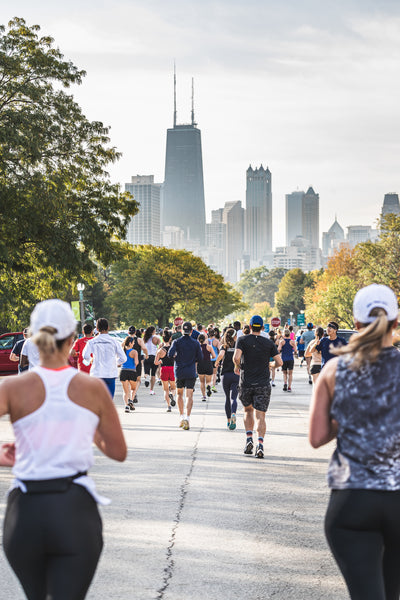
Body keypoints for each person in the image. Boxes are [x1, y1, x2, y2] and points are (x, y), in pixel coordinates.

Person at [0, 299, 127, 600]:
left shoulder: (12, 387)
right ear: (72, 340)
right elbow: (118, 451)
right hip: (74, 508)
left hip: (26, 510)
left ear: (32, 338)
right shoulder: (91, 388)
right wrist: (85, 428)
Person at [309, 284, 400, 600]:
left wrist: (354, 412)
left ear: (356, 324)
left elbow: (317, 437)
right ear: (396, 322)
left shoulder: (335, 369)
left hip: (352, 502)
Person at [233, 315, 282, 458]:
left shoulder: (242, 340)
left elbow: (236, 357)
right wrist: (271, 364)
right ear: (262, 327)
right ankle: (260, 445)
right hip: (263, 383)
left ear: (249, 326)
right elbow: (279, 362)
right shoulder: (268, 343)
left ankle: (249, 439)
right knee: (260, 415)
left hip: (246, 381)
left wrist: (238, 366)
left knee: (248, 411)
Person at [168, 321, 202, 430]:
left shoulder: (176, 341)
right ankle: (187, 417)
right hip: (191, 371)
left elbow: (169, 354)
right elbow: (200, 358)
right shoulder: (195, 343)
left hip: (179, 371)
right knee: (189, 395)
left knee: (179, 394)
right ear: (191, 331)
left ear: (182, 330)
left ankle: (181, 417)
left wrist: (177, 357)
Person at [82, 318, 126, 399]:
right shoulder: (114, 342)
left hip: (96, 374)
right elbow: (123, 358)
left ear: (97, 329)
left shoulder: (92, 342)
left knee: (97, 400)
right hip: (110, 374)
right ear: (108, 327)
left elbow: (85, 356)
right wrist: (115, 363)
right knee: (108, 401)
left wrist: (91, 359)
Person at [215, 328, 239, 430]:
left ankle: (229, 421)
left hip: (225, 375)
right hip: (236, 374)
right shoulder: (238, 346)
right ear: (234, 336)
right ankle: (234, 413)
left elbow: (221, 355)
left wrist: (217, 362)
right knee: (234, 397)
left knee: (227, 398)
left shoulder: (224, 346)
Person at [154, 330, 177, 412]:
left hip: (164, 369)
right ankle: (172, 394)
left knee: (165, 389)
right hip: (172, 369)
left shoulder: (160, 351)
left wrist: (160, 361)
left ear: (163, 339)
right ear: (170, 339)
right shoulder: (173, 349)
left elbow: (155, 362)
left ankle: (168, 406)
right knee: (173, 387)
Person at [120, 336, 138, 413]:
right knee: (133, 389)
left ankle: (126, 406)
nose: (133, 344)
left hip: (123, 371)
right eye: (133, 342)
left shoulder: (122, 350)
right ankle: (131, 400)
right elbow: (136, 362)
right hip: (132, 371)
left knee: (125, 391)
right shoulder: (134, 352)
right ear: (130, 343)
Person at [196, 333, 216, 401]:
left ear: (198, 340)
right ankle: (208, 386)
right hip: (208, 364)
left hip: (200, 364)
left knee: (202, 382)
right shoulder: (209, 347)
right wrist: (209, 356)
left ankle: (204, 396)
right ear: (205, 339)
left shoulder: (197, 347)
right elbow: (214, 356)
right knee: (208, 381)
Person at [143, 326, 161, 395]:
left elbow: (143, 347)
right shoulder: (156, 338)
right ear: (153, 331)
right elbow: (160, 346)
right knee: (153, 374)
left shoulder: (145, 338)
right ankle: (151, 390)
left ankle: (147, 378)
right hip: (154, 357)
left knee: (146, 372)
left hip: (147, 357)